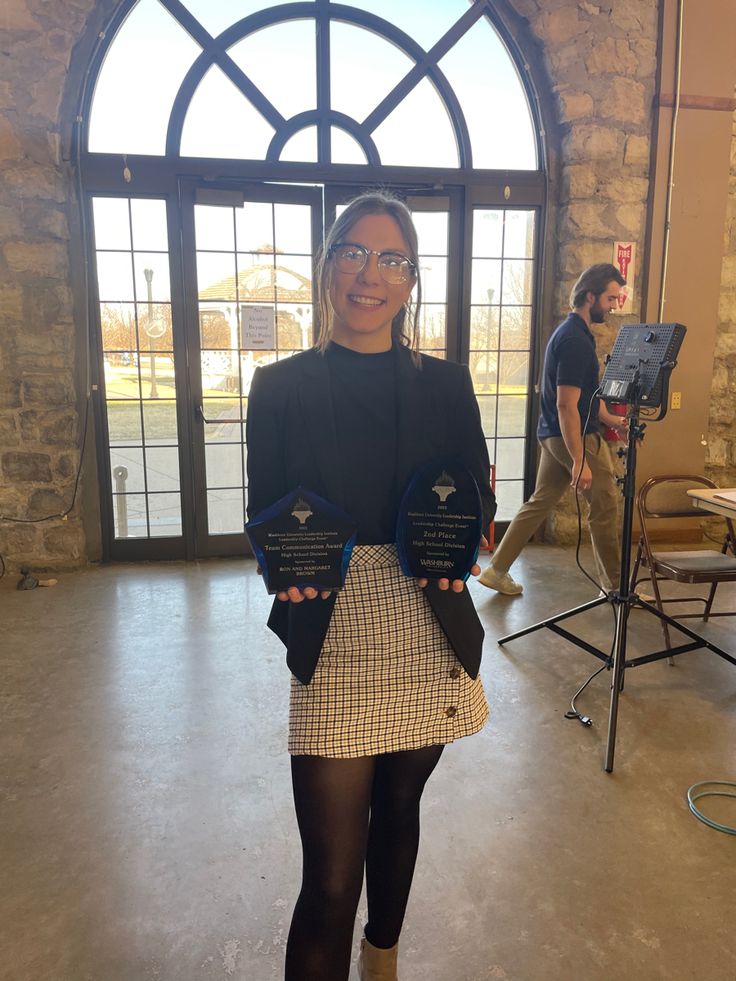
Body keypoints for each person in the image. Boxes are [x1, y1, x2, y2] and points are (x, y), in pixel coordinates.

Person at [246, 191, 496, 981]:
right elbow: (269, 514)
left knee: (400, 805)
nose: (370, 275)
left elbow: (476, 496)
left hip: (426, 619)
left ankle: (382, 951)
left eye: (392, 260)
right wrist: (286, 577)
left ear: (411, 280)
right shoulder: (278, 386)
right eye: (354, 252)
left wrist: (470, 539)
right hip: (334, 628)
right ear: (328, 265)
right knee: (327, 875)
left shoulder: (447, 385)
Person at [479, 262, 627, 596]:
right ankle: (616, 587)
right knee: (604, 505)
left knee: (541, 500)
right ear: (590, 296)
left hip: (552, 434)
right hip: (572, 436)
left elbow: (587, 397)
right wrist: (580, 459)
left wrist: (614, 420)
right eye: (611, 298)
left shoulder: (573, 333)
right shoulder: (575, 341)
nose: (615, 305)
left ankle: (497, 569)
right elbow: (566, 404)